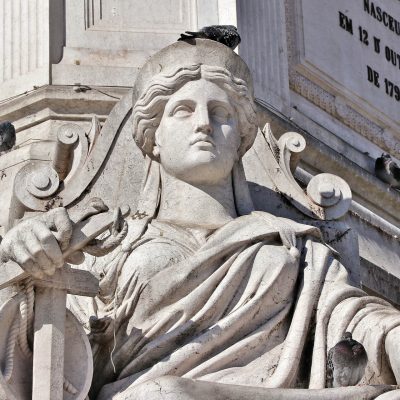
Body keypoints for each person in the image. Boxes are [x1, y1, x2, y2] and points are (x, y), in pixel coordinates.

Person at [1, 39, 400, 400]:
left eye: (221, 112)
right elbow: (47, 345)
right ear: (152, 136)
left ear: (242, 137)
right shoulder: (105, 239)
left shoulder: (294, 244)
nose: (205, 124)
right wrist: (23, 268)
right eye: (183, 110)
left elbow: (358, 319)